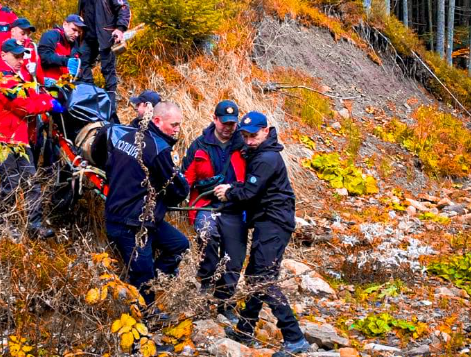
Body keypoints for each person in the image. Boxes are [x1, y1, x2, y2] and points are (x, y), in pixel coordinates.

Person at [213, 112, 310, 356]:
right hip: (269, 221)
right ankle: (245, 329)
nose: (248, 141)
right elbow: (251, 188)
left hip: (274, 222)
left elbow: (249, 193)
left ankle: (294, 337)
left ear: (266, 131)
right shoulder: (260, 153)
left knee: (263, 279)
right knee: (256, 276)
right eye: (244, 136)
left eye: (253, 136)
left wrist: (229, 192)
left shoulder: (266, 158)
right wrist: (234, 187)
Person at [92, 102, 189, 310]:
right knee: (143, 279)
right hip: (130, 224)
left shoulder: (125, 135)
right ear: (157, 121)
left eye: (179, 125)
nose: (177, 129)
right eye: (173, 125)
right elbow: (179, 190)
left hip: (139, 216)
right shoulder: (159, 149)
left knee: (180, 245)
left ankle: (156, 279)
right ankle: (146, 325)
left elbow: (102, 155)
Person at [0, 39, 64, 240]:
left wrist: (49, 98)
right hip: (1, 140)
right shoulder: (1, 79)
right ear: (3, 55)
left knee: (31, 183)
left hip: (18, 140)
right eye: (16, 56)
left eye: (22, 56)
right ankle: (1, 223)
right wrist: (49, 103)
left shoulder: (16, 78)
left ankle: (34, 226)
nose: (20, 60)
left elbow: (32, 98)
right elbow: (24, 107)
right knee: (10, 183)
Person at [181, 100, 247, 324]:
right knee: (207, 234)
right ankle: (206, 281)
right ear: (214, 119)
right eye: (224, 122)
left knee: (234, 257)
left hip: (235, 209)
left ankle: (224, 302)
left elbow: (254, 179)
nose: (229, 127)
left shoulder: (244, 145)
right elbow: (185, 178)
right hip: (204, 205)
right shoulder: (199, 145)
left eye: (232, 123)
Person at [76, 0, 131, 112]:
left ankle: (110, 106)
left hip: (107, 35)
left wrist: (120, 28)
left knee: (108, 70)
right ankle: (91, 97)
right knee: (82, 62)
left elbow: (123, 7)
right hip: (88, 34)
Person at [38, 14, 86, 83]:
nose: (76, 35)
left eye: (79, 32)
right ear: (65, 24)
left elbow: (77, 63)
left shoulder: (74, 43)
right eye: (74, 30)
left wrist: (78, 72)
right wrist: (66, 61)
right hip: (47, 82)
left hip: (66, 84)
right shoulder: (51, 35)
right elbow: (44, 57)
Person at [9, 17, 44, 84]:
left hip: (30, 88)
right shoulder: (4, 49)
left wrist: (35, 72)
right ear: (13, 32)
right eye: (22, 34)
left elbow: (40, 81)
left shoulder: (31, 49)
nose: (26, 37)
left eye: (28, 34)